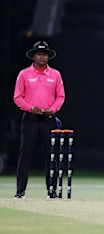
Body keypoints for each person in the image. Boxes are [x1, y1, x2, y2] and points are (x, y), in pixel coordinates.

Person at [13, 41, 66, 198]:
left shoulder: (55, 74)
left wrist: (52, 110)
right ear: (33, 56)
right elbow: (17, 97)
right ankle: (20, 191)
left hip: (48, 118)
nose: (42, 57)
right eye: (39, 54)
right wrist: (30, 108)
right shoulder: (24, 74)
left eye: (44, 54)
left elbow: (61, 96)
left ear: (48, 57)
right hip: (30, 118)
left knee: (51, 155)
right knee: (26, 154)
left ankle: (52, 191)